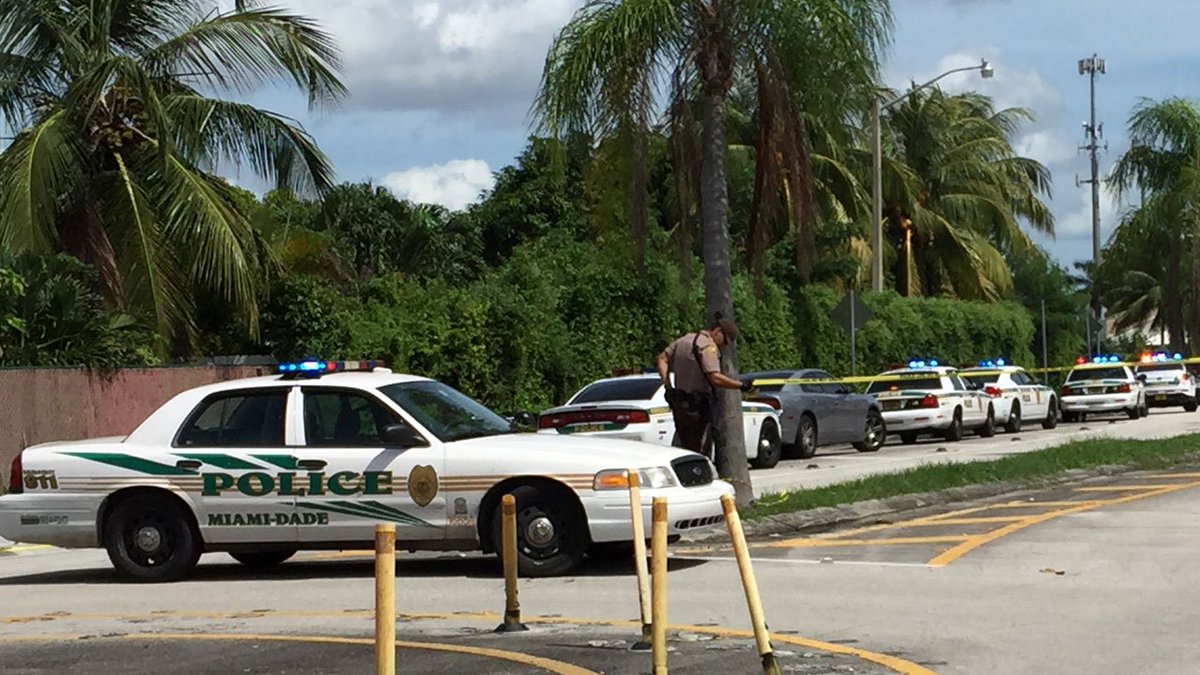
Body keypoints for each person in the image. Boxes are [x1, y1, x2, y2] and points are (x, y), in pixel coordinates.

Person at [656, 313, 754, 459]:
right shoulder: (708, 347)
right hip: (698, 406)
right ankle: (699, 477)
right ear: (718, 331)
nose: (724, 345)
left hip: (680, 403)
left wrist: (667, 384)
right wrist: (740, 385)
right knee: (701, 449)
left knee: (685, 447)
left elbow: (662, 358)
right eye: (725, 341)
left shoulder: (684, 340)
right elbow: (714, 377)